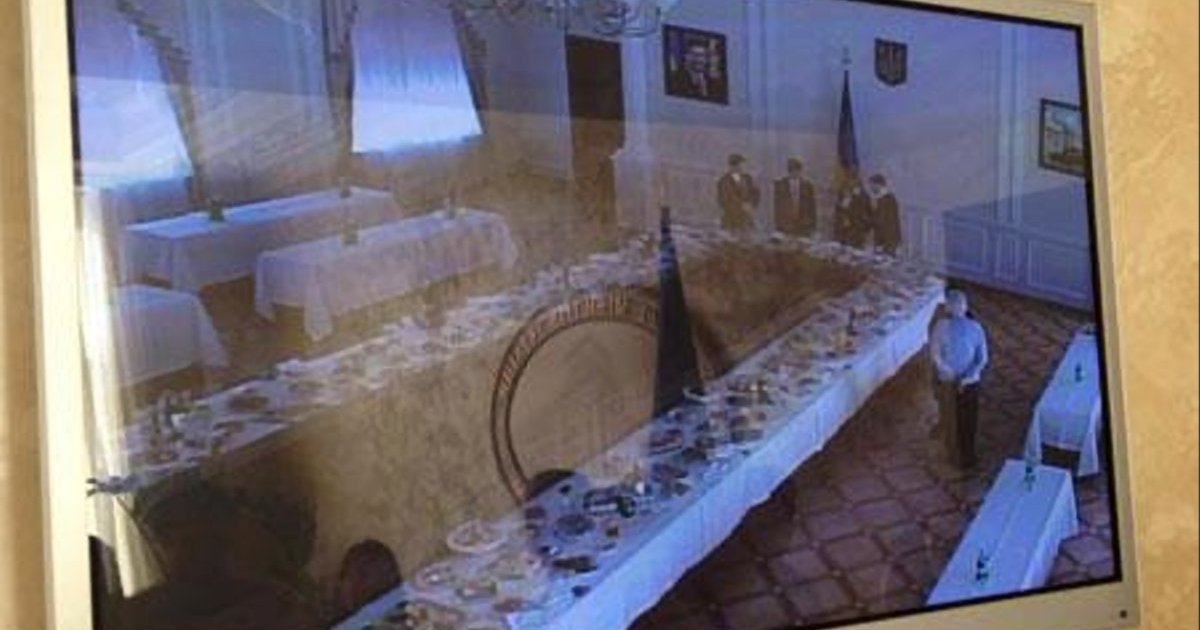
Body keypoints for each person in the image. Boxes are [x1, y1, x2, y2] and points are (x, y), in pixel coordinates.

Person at [930, 289, 989, 468]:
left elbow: (982, 358)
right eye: (953, 305)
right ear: (948, 308)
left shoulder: (975, 328)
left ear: (966, 307)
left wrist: (969, 376)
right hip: (948, 382)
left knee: (969, 418)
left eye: (960, 305)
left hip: (970, 382)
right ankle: (953, 455)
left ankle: (969, 453)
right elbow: (935, 354)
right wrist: (948, 372)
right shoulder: (940, 327)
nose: (958, 309)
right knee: (951, 419)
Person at [716, 153, 760, 232]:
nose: (740, 168)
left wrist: (751, 204)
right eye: (737, 165)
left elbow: (755, 193)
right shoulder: (724, 181)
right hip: (731, 219)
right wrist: (740, 205)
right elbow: (723, 199)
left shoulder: (748, 179)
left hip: (747, 218)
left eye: (741, 165)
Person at [773, 158, 817, 237]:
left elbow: (812, 206)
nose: (795, 173)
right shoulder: (780, 184)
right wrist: (778, 225)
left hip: (804, 226)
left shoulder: (808, 185)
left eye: (797, 170)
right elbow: (777, 206)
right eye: (792, 170)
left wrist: (813, 225)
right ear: (789, 171)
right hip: (786, 226)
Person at [834, 175, 871, 248]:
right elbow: (841, 210)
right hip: (846, 229)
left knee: (856, 244)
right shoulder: (846, 195)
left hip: (858, 228)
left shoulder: (864, 196)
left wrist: (865, 224)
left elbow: (868, 212)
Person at [869, 173, 902, 255]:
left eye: (872, 185)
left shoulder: (887, 199)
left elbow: (885, 222)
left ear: (878, 185)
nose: (871, 188)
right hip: (884, 239)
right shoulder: (882, 198)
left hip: (888, 239)